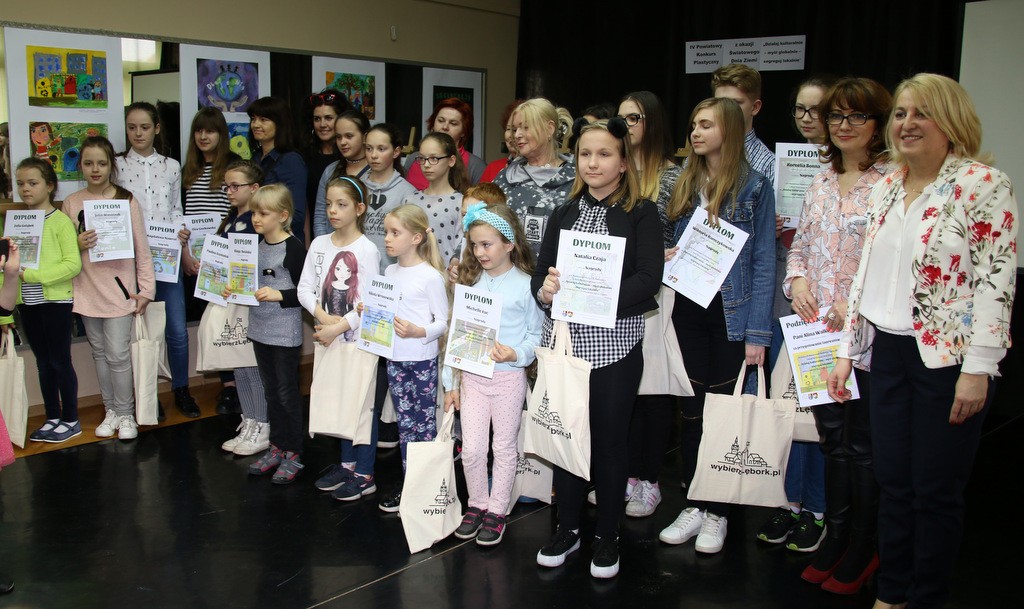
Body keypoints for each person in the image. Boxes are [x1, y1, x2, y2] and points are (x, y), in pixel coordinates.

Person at [828, 73, 1017, 609]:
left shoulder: (983, 184)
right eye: (901, 113)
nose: (907, 123)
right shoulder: (888, 183)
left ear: (951, 121)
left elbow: (997, 282)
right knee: (893, 481)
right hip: (886, 353)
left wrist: (978, 369)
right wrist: (847, 351)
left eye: (921, 113)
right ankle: (892, 592)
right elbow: (866, 273)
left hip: (947, 362)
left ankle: (927, 596)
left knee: (934, 490)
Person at [533, 118, 663, 579]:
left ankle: (607, 535)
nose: (592, 162)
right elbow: (541, 275)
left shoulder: (642, 212)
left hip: (615, 346)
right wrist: (546, 290)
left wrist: (597, 298)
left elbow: (649, 278)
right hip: (566, 344)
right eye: (585, 154)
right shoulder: (564, 212)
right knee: (565, 436)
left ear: (623, 162)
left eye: (604, 154)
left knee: (609, 442)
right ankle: (568, 528)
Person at [781, 78, 893, 591]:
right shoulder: (822, 181)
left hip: (867, 334)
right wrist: (798, 281)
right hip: (817, 336)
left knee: (862, 447)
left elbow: (893, 261)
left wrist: (856, 300)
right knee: (832, 441)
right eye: (836, 116)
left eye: (856, 116)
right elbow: (800, 248)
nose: (844, 126)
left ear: (878, 123)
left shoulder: (892, 182)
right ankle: (837, 534)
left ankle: (864, 546)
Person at [657, 97, 775, 555]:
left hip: (731, 315)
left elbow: (764, 263)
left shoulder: (755, 186)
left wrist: (757, 334)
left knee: (724, 414)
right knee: (692, 413)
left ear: (729, 127)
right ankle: (693, 502)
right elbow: (666, 241)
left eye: (705, 124)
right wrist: (664, 255)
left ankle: (719, 512)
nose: (695, 132)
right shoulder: (683, 182)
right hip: (686, 311)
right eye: (693, 124)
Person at [755, 75, 837, 550]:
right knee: (787, 402)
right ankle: (788, 502)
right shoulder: (780, 164)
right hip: (787, 293)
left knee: (818, 408)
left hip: (829, 308)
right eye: (800, 110)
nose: (808, 119)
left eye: (818, 110)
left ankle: (817, 508)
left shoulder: (854, 172)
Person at [445, 202, 543, 546]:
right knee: (472, 449)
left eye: (487, 244)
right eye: (474, 245)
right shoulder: (471, 284)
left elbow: (536, 335)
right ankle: (476, 504)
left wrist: (516, 354)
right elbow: (456, 335)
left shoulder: (526, 286)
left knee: (503, 448)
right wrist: (450, 383)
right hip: (472, 379)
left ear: (510, 244)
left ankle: (497, 510)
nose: (479, 252)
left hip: (508, 379)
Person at [615, 91, 682, 519]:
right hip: (615, 293)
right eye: (620, 118)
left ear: (652, 122)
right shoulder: (615, 170)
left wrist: (673, 251)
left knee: (654, 389)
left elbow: (691, 234)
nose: (625, 126)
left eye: (634, 118)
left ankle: (650, 480)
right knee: (625, 389)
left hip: (658, 294)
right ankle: (626, 474)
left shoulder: (675, 176)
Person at [64, 136, 156, 441]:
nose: (95, 169)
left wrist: (146, 291)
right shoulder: (71, 203)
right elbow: (63, 251)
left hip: (119, 292)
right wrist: (76, 244)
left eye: (101, 163)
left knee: (118, 355)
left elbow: (142, 250)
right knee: (100, 354)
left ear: (111, 166)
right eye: (88, 163)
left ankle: (126, 413)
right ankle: (111, 410)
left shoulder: (126, 200)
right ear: (80, 166)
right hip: (87, 291)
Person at [299, 176, 382, 501]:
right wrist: (322, 317)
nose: (333, 210)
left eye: (341, 204)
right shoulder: (319, 244)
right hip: (329, 338)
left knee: (360, 405)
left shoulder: (367, 250)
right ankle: (347, 466)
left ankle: (365, 473)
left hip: (358, 343)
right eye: (329, 204)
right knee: (339, 402)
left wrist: (340, 326)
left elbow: (371, 301)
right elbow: (305, 288)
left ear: (359, 208)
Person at [116, 102, 200, 417]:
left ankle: (181, 388)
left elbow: (176, 209)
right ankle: (148, 393)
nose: (138, 133)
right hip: (132, 260)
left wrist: (182, 233)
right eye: (132, 127)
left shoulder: (171, 166)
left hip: (167, 257)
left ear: (157, 129)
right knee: (141, 330)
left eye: (145, 127)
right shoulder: (117, 166)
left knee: (176, 328)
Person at [0, 159, 81, 442]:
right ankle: (53, 417)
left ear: (49, 186)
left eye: (33, 183)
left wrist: (32, 275)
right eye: (21, 183)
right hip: (27, 303)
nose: (26, 189)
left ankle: (71, 419)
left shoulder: (60, 222)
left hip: (56, 302)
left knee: (60, 361)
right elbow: (6, 269)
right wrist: (5, 312)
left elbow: (72, 265)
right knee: (43, 363)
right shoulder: (15, 223)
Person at [375, 204, 449, 513]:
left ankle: (427, 488)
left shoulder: (430, 277)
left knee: (425, 426)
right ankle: (410, 485)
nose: (388, 239)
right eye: (387, 232)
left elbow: (442, 321)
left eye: (395, 233)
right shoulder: (389, 272)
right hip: (395, 359)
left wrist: (419, 331)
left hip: (421, 360)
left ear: (416, 238)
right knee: (405, 426)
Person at [239, 184, 307, 484]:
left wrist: (279, 295)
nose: (256, 218)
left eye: (263, 213)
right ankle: (277, 447)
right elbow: (245, 281)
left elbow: (306, 293)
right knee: (270, 392)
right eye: (254, 212)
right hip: (259, 329)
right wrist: (233, 289)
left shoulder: (293, 249)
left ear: (282, 215)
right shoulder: (254, 246)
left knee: (286, 393)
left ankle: (294, 452)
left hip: (284, 333)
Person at [180, 107, 242, 415]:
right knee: (213, 324)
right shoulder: (188, 171)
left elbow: (239, 211)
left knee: (233, 322)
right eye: (198, 130)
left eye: (210, 130)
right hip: (196, 260)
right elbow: (183, 219)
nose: (203, 136)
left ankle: (238, 386)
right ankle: (228, 385)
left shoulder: (233, 166)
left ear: (221, 134)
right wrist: (187, 256)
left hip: (227, 257)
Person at [212, 160, 272, 457]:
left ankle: (262, 425)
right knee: (239, 365)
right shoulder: (229, 221)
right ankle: (249, 420)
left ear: (254, 188)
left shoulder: (256, 223)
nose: (229, 191)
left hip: (250, 305)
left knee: (251, 365)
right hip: (231, 300)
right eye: (226, 186)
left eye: (236, 186)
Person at [493, 98, 577, 257]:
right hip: (506, 270)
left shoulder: (576, 180)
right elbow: (480, 221)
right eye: (515, 129)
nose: (517, 135)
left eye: (525, 127)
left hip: (552, 271)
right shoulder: (504, 177)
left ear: (549, 128)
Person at [248, 96, 308, 241]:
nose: (255, 125)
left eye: (263, 119)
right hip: (253, 241)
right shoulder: (255, 158)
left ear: (280, 123)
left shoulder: (291, 160)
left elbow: (296, 214)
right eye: (253, 119)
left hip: (279, 244)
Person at [404, 131, 466, 265]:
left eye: (434, 158)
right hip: (412, 273)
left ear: (451, 161)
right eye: (422, 158)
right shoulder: (410, 200)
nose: (426, 164)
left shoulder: (460, 202)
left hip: (444, 274)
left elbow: (461, 245)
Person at [361, 124, 416, 266]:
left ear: (396, 152)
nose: (373, 155)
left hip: (393, 271)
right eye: (369, 148)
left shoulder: (408, 192)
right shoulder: (357, 188)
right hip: (356, 269)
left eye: (381, 149)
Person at [711, 63, 775, 183]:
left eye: (735, 103)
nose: (725, 110)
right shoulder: (699, 155)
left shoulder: (768, 165)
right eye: (719, 103)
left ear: (755, 107)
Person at [312, 110, 371, 238]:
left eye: (349, 136)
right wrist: (323, 244)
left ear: (365, 137)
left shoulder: (375, 170)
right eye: (338, 137)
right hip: (333, 245)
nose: (342, 142)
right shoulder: (330, 171)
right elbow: (320, 217)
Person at [404, 98, 485, 189]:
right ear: (433, 124)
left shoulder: (475, 166)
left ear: (463, 131)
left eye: (453, 123)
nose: (445, 127)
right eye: (441, 121)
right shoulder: (414, 159)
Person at [304, 90, 351, 237]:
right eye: (317, 119)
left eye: (329, 118)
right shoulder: (304, 155)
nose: (322, 124)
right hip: (312, 232)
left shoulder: (348, 157)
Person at [480, 100, 523, 183]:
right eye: (508, 129)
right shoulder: (493, 168)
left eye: (515, 130)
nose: (512, 135)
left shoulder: (541, 170)